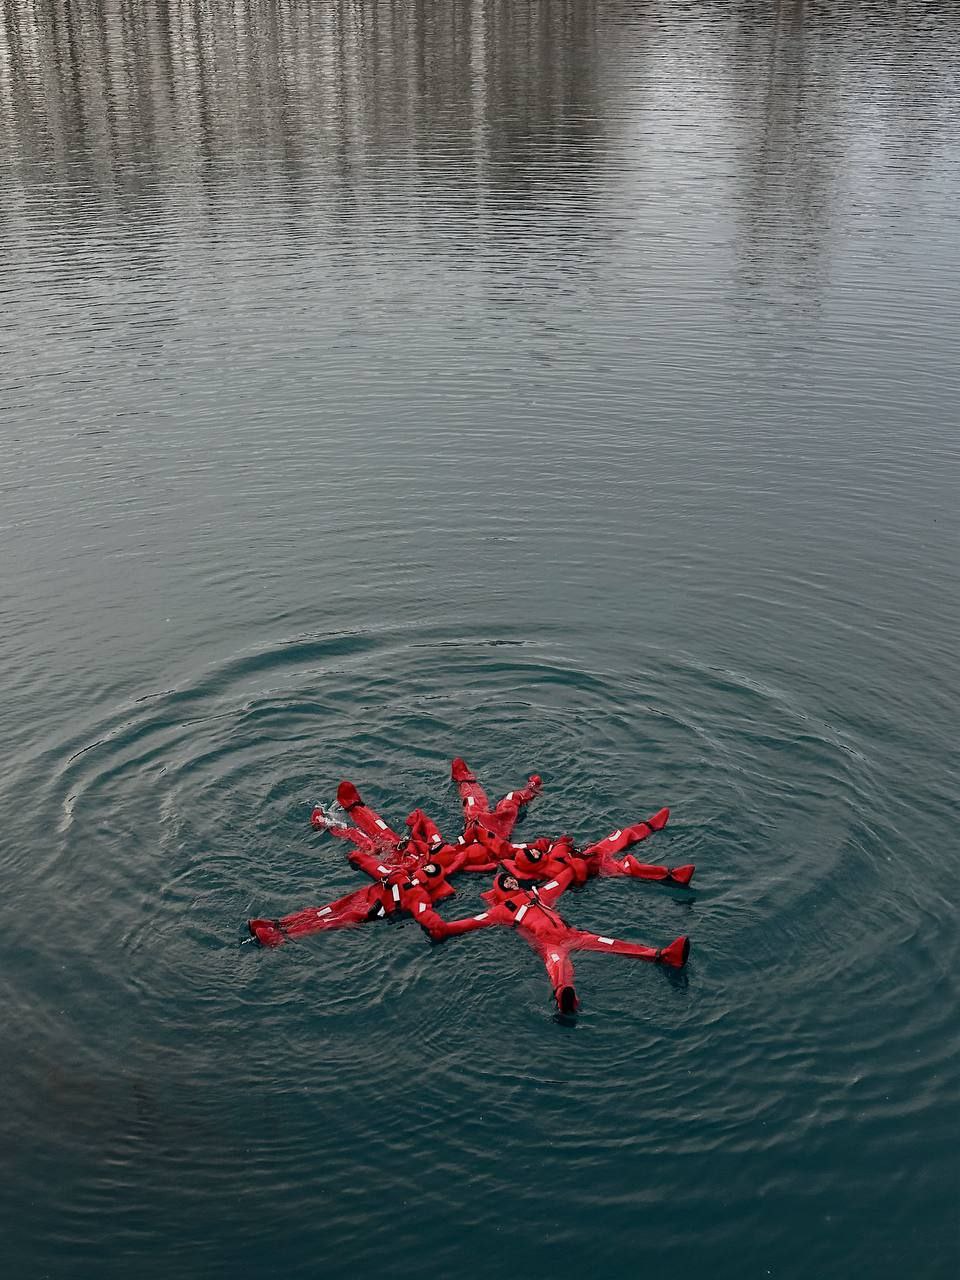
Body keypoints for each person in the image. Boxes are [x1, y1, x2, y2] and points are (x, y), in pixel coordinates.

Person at [422, 866, 689, 1014]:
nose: (512, 884)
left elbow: (562, 880)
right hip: (550, 946)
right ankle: (564, 998)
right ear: (500, 891)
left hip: (573, 935)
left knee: (612, 943)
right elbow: (471, 923)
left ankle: (662, 955)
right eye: (506, 884)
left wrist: (575, 862)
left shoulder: (540, 894)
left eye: (512, 880)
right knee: (559, 970)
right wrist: (442, 927)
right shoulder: (502, 910)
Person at [248, 858, 453, 947]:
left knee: (338, 918)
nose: (425, 871)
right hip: (363, 896)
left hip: (371, 911)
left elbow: (425, 914)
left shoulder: (421, 897)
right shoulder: (403, 874)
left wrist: (438, 926)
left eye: (429, 872)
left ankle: (285, 937)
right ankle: (279, 924)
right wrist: (359, 858)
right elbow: (379, 869)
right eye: (426, 868)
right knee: (324, 910)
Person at [471, 810, 694, 887]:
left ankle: (650, 826)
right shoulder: (547, 871)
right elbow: (578, 877)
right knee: (629, 867)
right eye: (533, 855)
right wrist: (570, 860)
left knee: (621, 835)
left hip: (588, 852)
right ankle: (672, 875)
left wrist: (561, 845)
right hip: (597, 869)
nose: (535, 852)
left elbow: (505, 851)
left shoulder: (540, 857)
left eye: (533, 851)